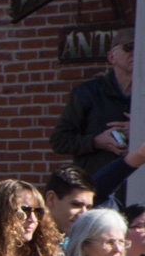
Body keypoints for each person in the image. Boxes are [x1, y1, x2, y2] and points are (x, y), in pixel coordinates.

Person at [52, 32, 132, 178]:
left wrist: (139, 129)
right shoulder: (87, 93)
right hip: (99, 183)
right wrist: (95, 141)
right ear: (111, 57)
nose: (136, 53)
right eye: (129, 47)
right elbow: (59, 140)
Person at [44, 166, 97, 240]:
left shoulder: (84, 243)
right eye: (76, 205)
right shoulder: (28, 238)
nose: (84, 214)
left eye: (88, 207)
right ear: (51, 199)